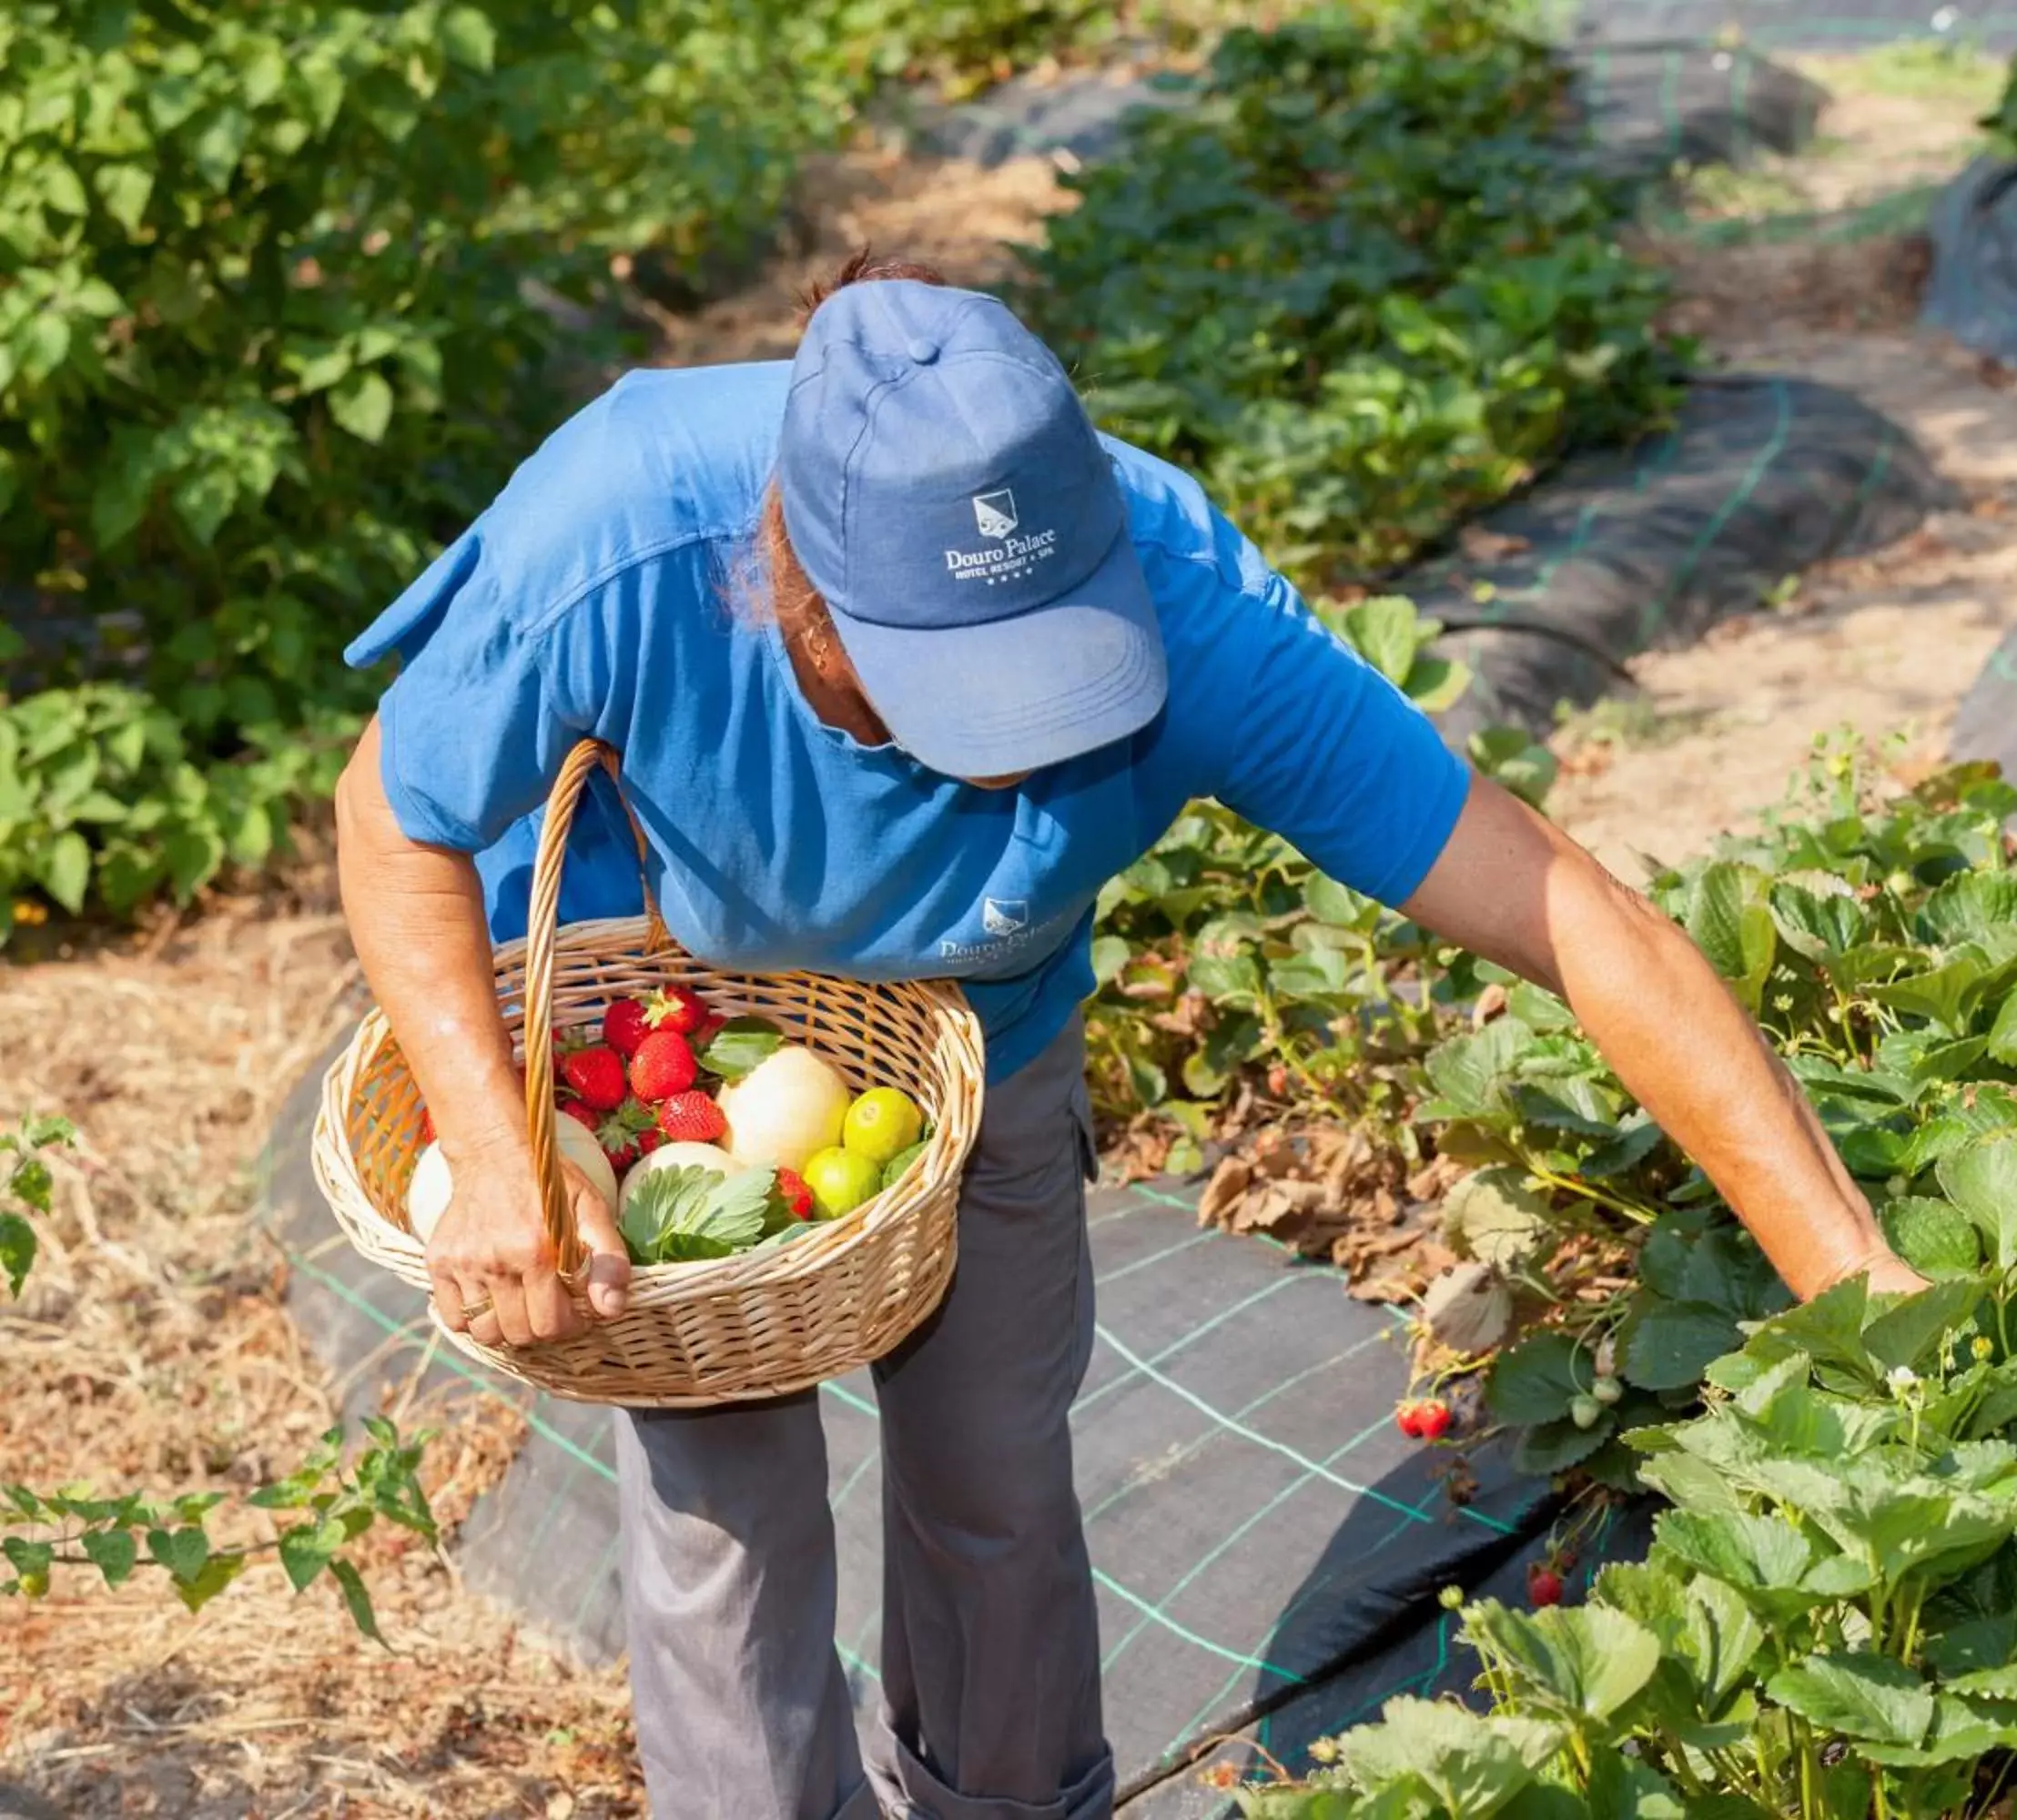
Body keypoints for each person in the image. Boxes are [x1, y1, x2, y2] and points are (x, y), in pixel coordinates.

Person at [331, 255, 1924, 1820]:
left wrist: (1858, 1287)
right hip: (682, 1030)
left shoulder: (1194, 616)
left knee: (996, 1486)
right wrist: (500, 1146)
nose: (1004, 755)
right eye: (946, 695)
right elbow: (389, 819)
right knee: (723, 1502)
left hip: (988, 1033)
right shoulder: (616, 538)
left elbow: (1577, 919)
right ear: (791, 586)